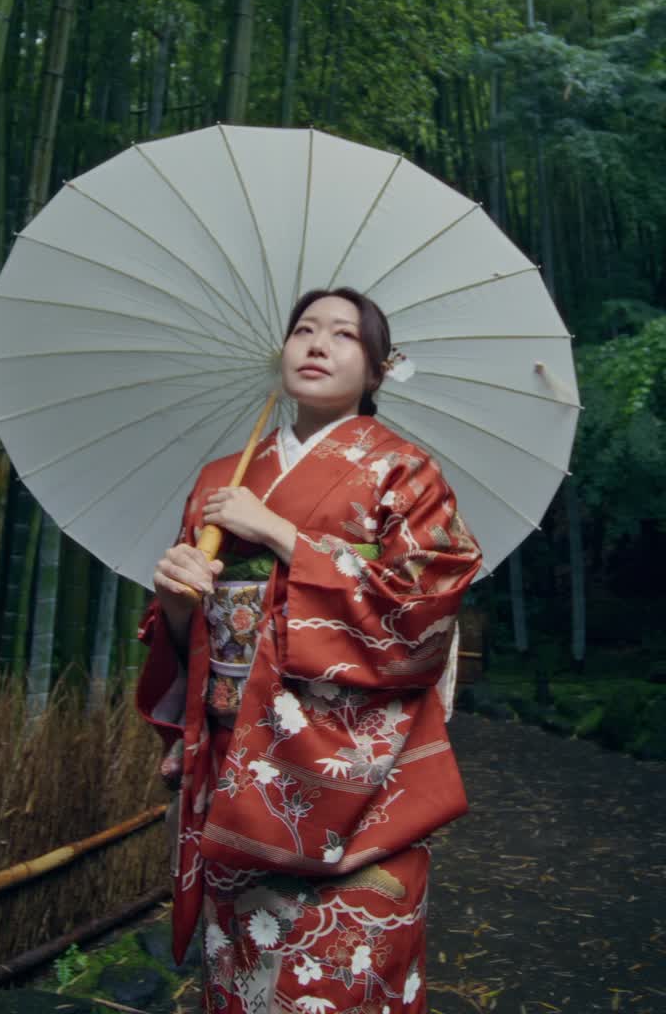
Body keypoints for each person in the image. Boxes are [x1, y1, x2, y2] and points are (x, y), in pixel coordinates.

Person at [137, 288, 482, 1013]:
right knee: (244, 978)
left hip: (359, 782)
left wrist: (280, 534)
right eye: (303, 330)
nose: (318, 344)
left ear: (379, 369)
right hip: (242, 773)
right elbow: (191, 640)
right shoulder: (223, 478)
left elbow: (423, 607)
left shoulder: (405, 472)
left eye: (344, 335)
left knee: (346, 976)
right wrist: (177, 603)